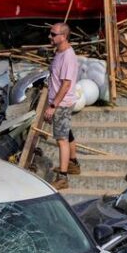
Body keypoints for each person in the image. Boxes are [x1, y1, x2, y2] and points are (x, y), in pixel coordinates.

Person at [44, 22, 80, 190]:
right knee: (67, 132)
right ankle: (73, 163)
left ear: (63, 37)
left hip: (61, 104)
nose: (50, 37)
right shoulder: (59, 52)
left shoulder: (67, 57)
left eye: (53, 34)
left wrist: (53, 105)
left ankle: (63, 177)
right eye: (50, 33)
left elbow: (66, 85)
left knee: (61, 139)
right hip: (62, 102)